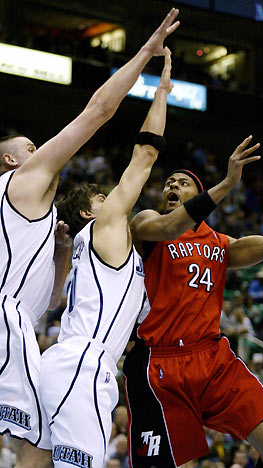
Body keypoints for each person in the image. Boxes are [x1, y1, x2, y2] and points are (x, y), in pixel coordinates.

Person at [0, 8, 180, 468]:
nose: (40, 151)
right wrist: (151, 69)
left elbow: (51, 296)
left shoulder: (67, 241)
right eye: (29, 148)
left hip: (48, 347)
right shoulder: (35, 187)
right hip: (75, 359)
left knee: (31, 456)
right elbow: (116, 130)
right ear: (9, 161)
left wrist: (59, 252)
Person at [123, 157, 263, 468]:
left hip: (211, 358)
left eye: (182, 182)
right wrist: (228, 183)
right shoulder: (149, 224)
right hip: (160, 363)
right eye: (169, 183)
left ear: (198, 193)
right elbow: (167, 226)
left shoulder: (219, 244)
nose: (172, 186)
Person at [39, 49, 175, 468]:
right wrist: (162, 90)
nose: (115, 202)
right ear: (88, 213)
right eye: (104, 198)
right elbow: (145, 157)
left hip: (67, 361)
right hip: (83, 363)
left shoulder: (96, 250)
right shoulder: (106, 229)